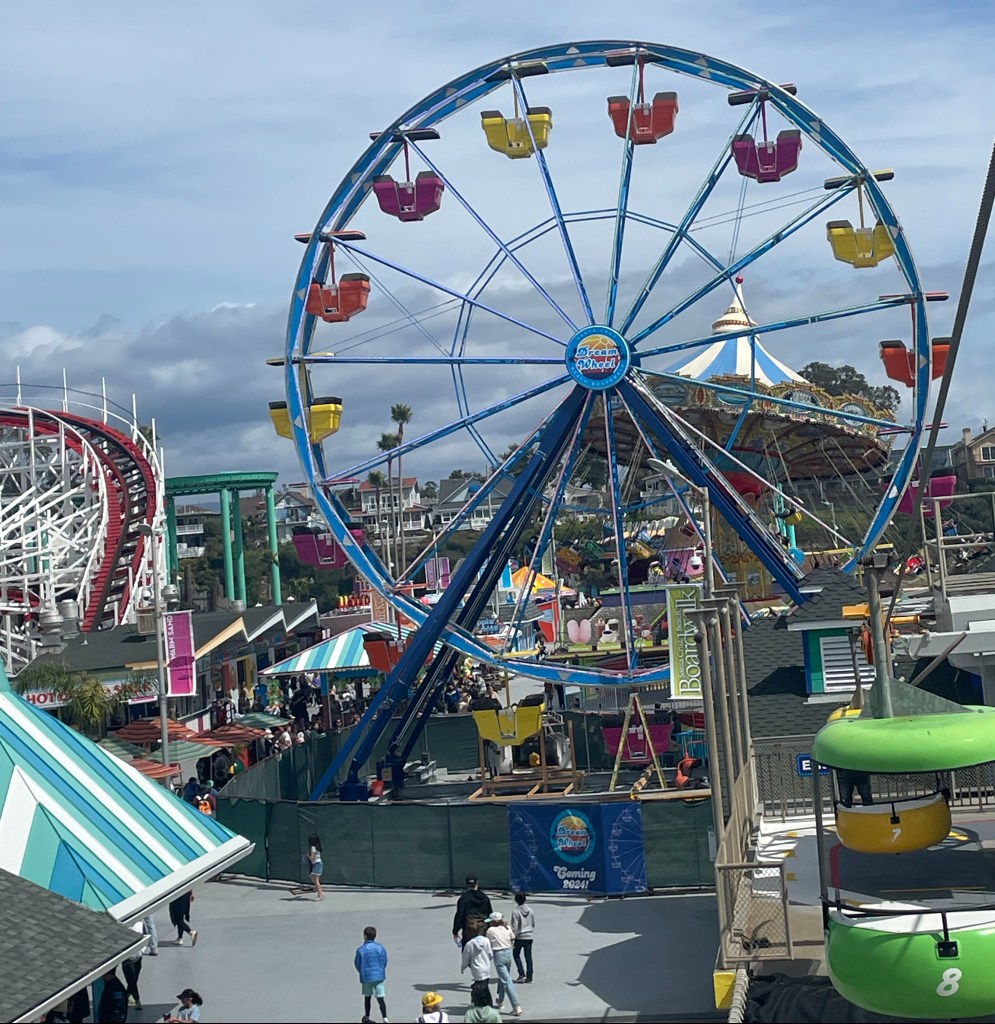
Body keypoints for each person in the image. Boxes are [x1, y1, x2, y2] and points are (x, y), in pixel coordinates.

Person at [484, 912, 522, 1016]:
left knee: (506, 980)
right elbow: (512, 937)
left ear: (493, 922)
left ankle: (516, 1006)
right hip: (508, 953)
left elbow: (487, 944)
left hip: (498, 954)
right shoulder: (507, 927)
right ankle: (500, 1001)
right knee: (503, 978)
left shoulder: (490, 931)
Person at [354, 925, 388, 1024]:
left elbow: (357, 963)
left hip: (366, 977)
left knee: (367, 997)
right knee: (380, 998)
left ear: (365, 936)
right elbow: (384, 960)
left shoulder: (360, 950)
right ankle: (385, 1018)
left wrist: (362, 971)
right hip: (378, 976)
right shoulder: (380, 948)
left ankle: (367, 1016)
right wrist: (381, 970)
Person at [452, 875, 492, 946]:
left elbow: (460, 916)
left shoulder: (463, 899)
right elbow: (490, 915)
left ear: (467, 885)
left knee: (468, 952)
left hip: (469, 930)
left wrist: (455, 931)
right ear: (477, 884)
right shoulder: (485, 898)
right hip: (483, 930)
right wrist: (485, 923)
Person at [122, 919, 147, 1010]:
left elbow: (145, 936)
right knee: (131, 980)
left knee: (134, 979)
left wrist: (142, 951)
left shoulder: (140, 923)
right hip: (127, 959)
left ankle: (126, 995)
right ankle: (137, 1001)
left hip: (138, 957)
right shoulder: (123, 925)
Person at [511, 892, 534, 984]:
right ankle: (529, 976)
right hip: (529, 936)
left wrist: (512, 937)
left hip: (519, 937)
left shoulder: (515, 912)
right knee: (528, 957)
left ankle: (521, 974)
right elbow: (533, 923)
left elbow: (515, 926)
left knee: (516, 955)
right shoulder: (531, 910)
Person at [307, 833, 324, 901]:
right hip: (317, 864)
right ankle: (319, 890)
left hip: (317, 864)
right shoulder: (318, 846)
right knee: (312, 877)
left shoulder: (313, 848)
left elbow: (312, 859)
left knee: (316, 880)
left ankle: (320, 896)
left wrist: (308, 855)